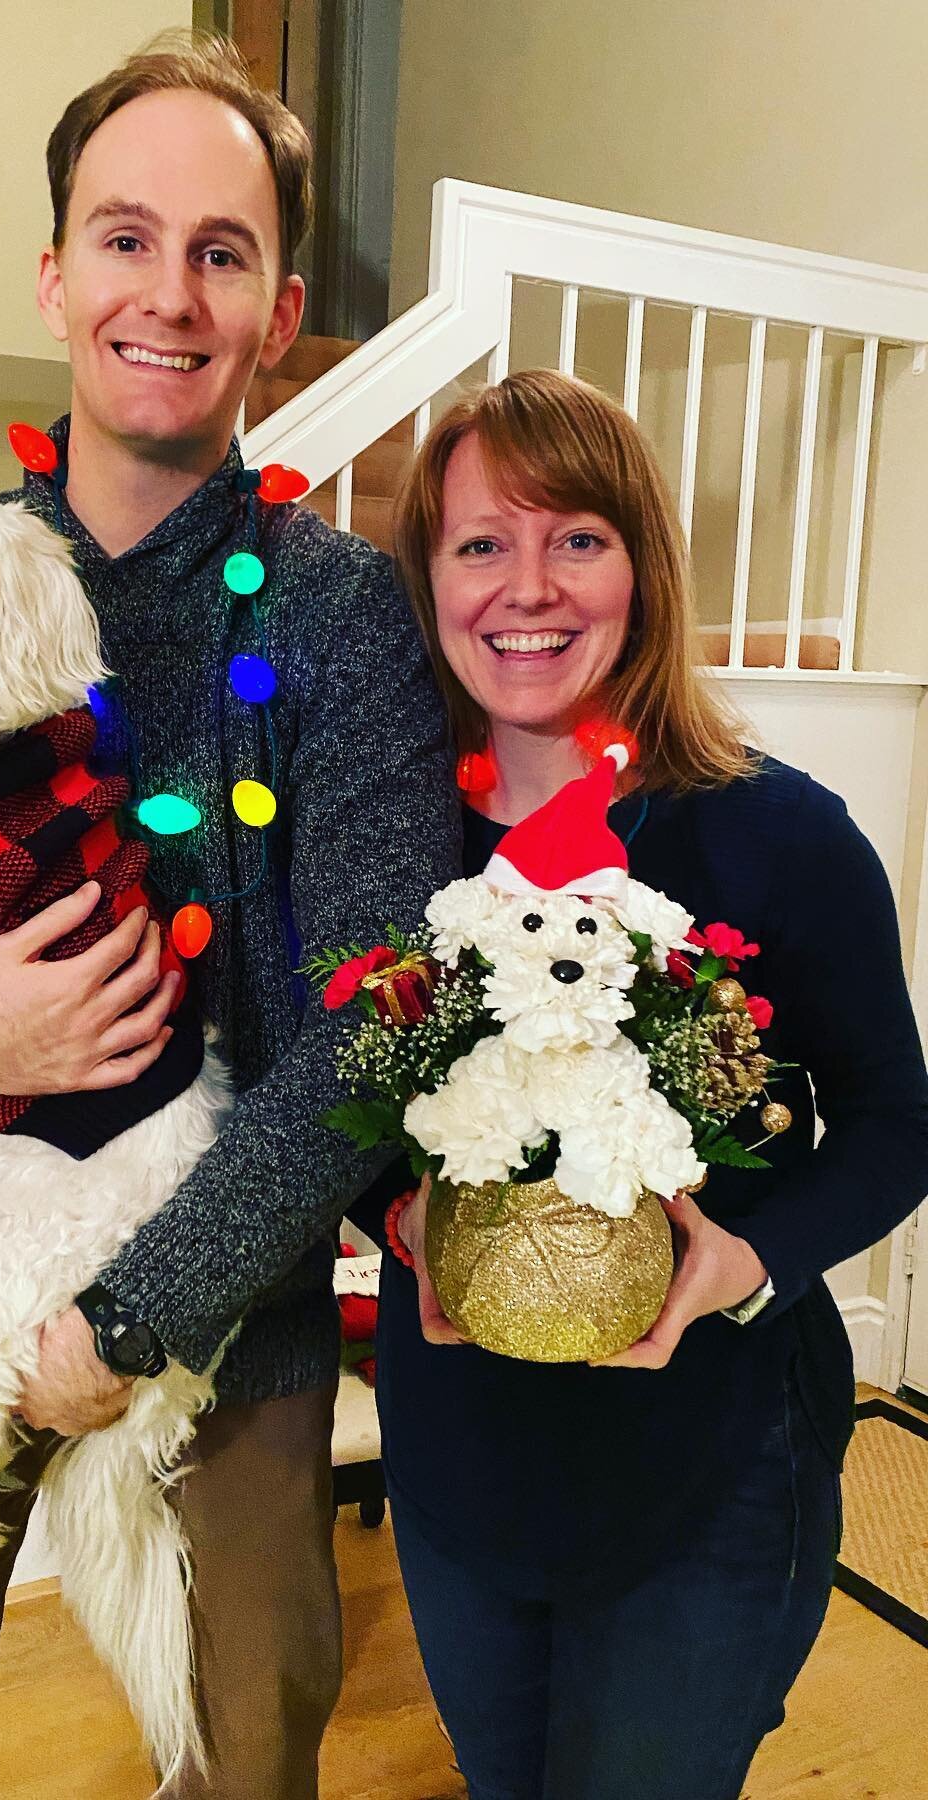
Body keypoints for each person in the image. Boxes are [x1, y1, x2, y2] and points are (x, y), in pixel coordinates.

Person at [0, 32, 458, 1800]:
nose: (170, 294)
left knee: (242, 1758)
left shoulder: (346, 619)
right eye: (127, 238)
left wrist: (129, 1322)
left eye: (224, 251)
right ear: (56, 275)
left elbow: (373, 1020)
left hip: (229, 1315)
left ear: (277, 312)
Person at [370, 366, 928, 1800]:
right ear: (431, 578)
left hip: (714, 1466)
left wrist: (747, 1257)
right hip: (462, 1466)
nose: (526, 585)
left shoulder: (778, 836)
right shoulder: (387, 846)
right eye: (481, 543)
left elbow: (895, 1124)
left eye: (578, 536)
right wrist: (400, 1215)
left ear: (642, 564)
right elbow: (341, 1101)